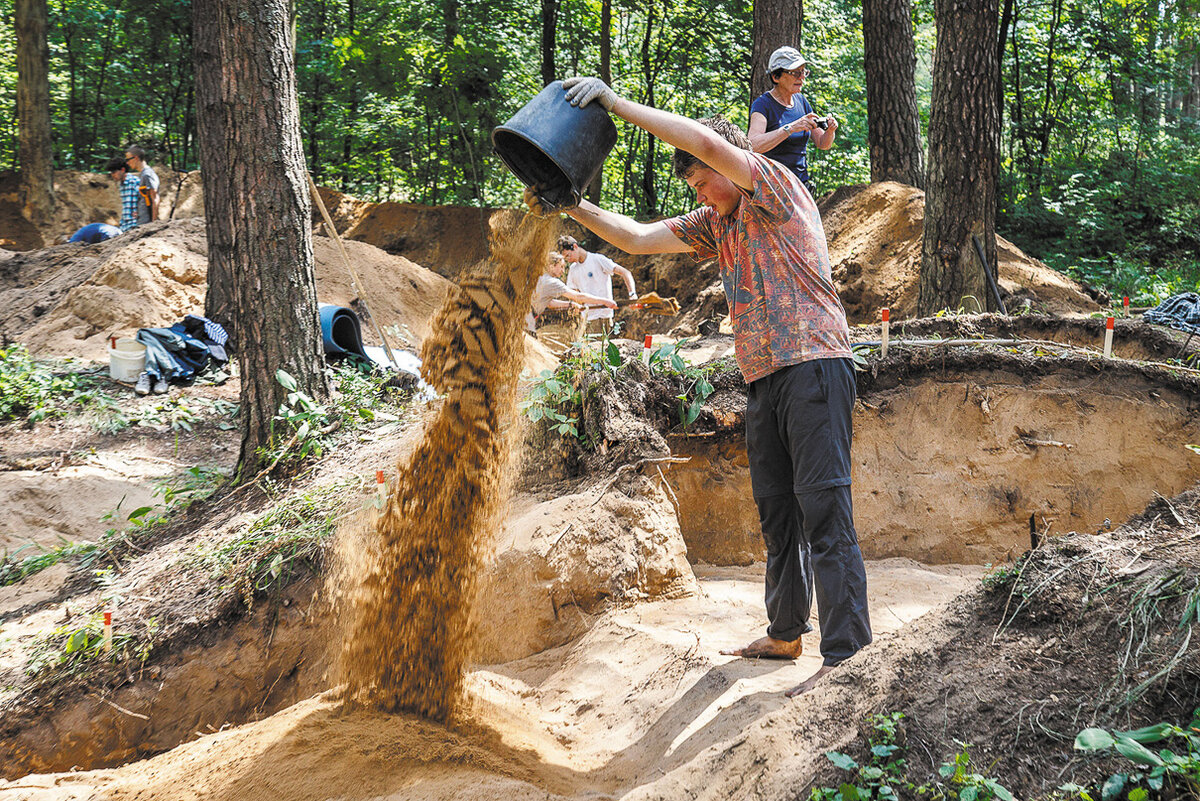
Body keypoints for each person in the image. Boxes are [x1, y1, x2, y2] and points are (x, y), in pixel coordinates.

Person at [527, 76, 871, 697]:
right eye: (692, 189)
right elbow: (633, 237)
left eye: (704, 181)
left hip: (816, 363)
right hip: (765, 376)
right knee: (777, 508)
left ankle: (847, 656)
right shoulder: (718, 223)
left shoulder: (773, 186)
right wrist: (568, 201)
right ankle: (787, 631)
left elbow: (710, 144)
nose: (704, 195)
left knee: (824, 506)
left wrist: (614, 104)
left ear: (729, 165)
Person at [748, 46, 838, 195]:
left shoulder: (801, 101)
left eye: (803, 72)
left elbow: (822, 144)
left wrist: (830, 131)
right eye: (796, 73)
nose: (801, 77)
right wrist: (790, 128)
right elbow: (753, 144)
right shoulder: (763, 104)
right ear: (776, 76)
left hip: (800, 189)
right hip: (772, 191)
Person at [527, 251, 618, 350]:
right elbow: (578, 297)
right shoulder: (552, 282)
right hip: (527, 319)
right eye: (561, 267)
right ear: (551, 266)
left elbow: (550, 303)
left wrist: (571, 305)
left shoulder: (541, 278)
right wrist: (605, 301)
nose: (563, 271)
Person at [558, 235, 638, 336]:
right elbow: (574, 294)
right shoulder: (573, 269)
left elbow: (625, 272)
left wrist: (632, 294)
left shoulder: (597, 259)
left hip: (604, 316)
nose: (568, 260)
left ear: (575, 247)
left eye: (568, 255)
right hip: (588, 318)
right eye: (565, 258)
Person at [125, 146, 160, 225]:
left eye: (128, 159)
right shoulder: (143, 174)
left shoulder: (148, 174)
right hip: (142, 220)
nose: (127, 163)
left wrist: (153, 224)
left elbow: (155, 199)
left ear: (136, 158)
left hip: (146, 222)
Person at [108, 156, 141, 232]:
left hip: (135, 224)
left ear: (122, 170)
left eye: (114, 172)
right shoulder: (121, 185)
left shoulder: (135, 182)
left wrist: (140, 212)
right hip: (124, 225)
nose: (112, 175)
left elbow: (146, 200)